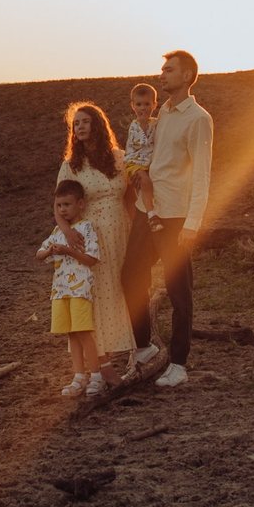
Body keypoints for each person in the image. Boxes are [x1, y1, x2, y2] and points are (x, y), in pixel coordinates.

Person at [137, 50, 214, 388]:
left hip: (176, 217)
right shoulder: (163, 114)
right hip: (148, 210)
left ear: (186, 76)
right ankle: (144, 347)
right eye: (162, 69)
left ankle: (179, 364)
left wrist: (192, 223)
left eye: (168, 70)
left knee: (178, 290)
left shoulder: (198, 119)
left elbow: (202, 175)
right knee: (130, 274)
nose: (161, 74)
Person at [54, 101, 138, 372]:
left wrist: (136, 232)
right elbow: (58, 205)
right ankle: (100, 360)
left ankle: (125, 348)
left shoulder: (119, 158)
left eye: (85, 121)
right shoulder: (71, 165)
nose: (80, 127)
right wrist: (68, 232)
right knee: (97, 292)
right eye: (76, 123)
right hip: (89, 235)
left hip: (120, 230)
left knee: (119, 289)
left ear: (98, 125)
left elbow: (130, 198)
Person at [37, 179, 106, 396]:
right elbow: (39, 254)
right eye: (59, 206)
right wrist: (50, 251)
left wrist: (68, 251)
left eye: (67, 204)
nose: (62, 210)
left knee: (83, 332)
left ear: (80, 204)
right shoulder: (58, 231)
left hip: (80, 290)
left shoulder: (86, 228)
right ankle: (79, 376)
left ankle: (97, 376)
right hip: (60, 291)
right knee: (72, 334)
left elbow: (92, 259)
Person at [117, 82, 163, 366]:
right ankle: (150, 212)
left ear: (154, 105)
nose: (143, 109)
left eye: (147, 104)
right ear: (132, 106)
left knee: (138, 272)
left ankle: (142, 341)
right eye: (138, 104)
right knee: (144, 182)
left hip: (152, 168)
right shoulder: (136, 127)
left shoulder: (158, 124)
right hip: (137, 165)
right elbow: (136, 150)